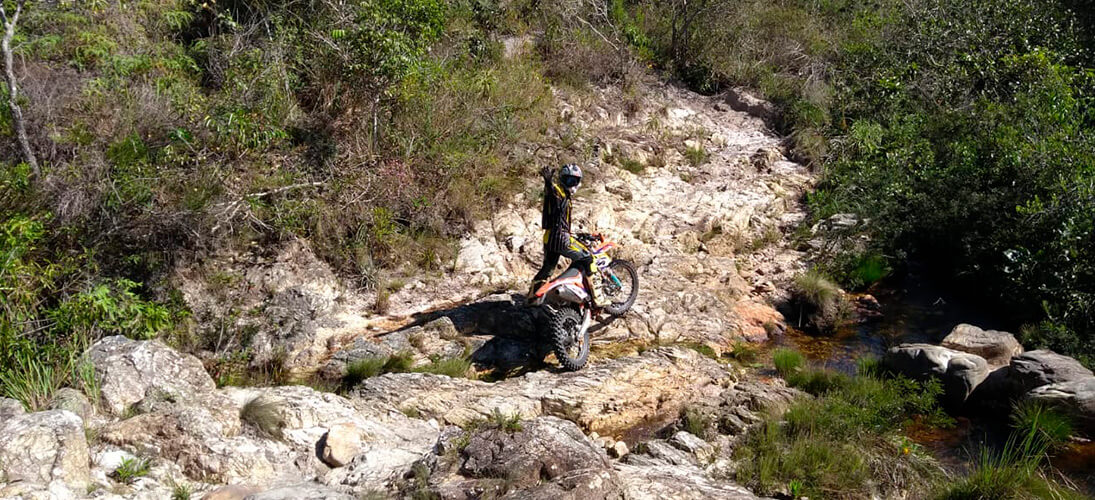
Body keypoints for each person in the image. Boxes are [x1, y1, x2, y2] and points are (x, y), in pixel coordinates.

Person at [529, 163, 607, 307]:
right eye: (569, 180)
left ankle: (532, 299)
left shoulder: (564, 195)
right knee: (589, 259)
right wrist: (548, 182)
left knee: (548, 269)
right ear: (561, 179)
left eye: (575, 180)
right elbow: (552, 193)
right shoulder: (559, 193)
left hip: (549, 238)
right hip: (562, 239)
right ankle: (598, 298)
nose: (572, 184)